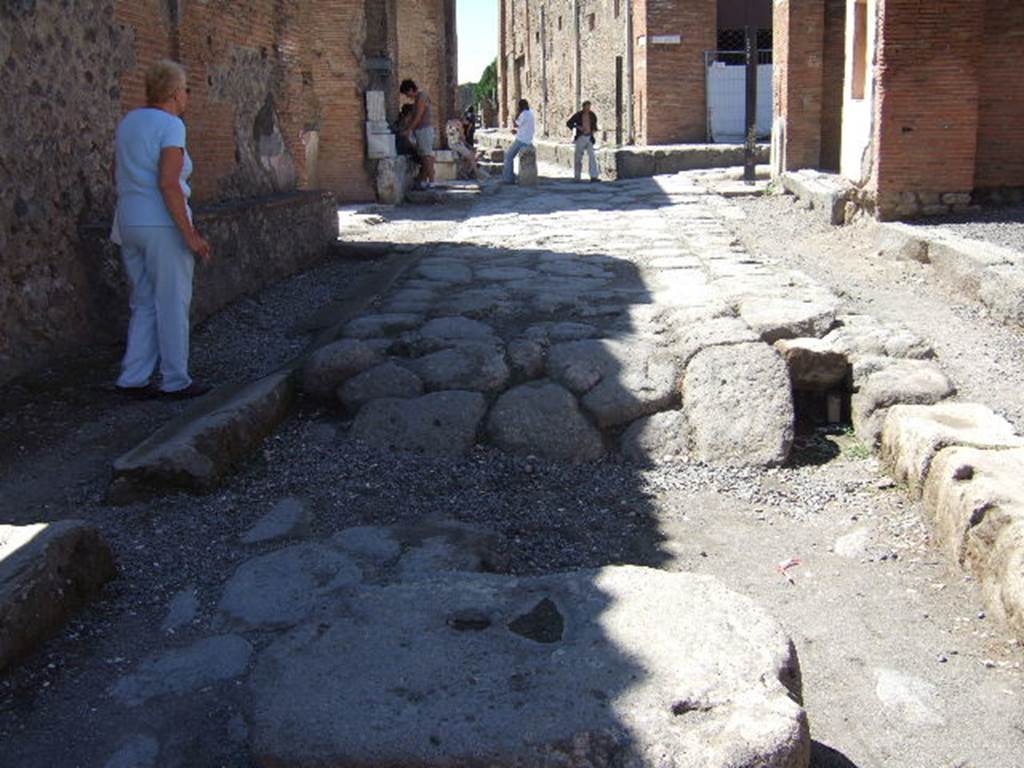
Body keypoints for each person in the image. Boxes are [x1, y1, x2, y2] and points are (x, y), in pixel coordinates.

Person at [111, 59, 212, 399]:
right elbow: (169, 183)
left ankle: (133, 377)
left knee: (143, 302)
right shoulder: (171, 126)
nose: (186, 96)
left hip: (128, 219)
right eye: (185, 89)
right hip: (161, 223)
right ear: (172, 92)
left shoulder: (128, 122)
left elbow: (118, 170)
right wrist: (191, 235)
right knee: (172, 302)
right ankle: (175, 379)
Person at [399, 79, 435, 189]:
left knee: (426, 156)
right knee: (424, 156)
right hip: (420, 130)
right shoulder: (417, 99)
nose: (407, 96)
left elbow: (418, 116)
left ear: (410, 89)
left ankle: (432, 181)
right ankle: (425, 179)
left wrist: (409, 130)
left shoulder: (421, 96)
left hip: (424, 130)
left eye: (406, 93)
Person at [502, 99, 535, 184]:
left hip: (521, 140)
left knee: (508, 156)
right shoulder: (531, 113)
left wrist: (513, 118)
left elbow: (517, 124)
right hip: (528, 139)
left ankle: (508, 179)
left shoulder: (523, 114)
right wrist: (517, 131)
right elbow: (525, 127)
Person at [566, 100, 600, 182]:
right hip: (580, 137)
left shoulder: (592, 115)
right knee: (578, 157)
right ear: (583, 107)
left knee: (592, 156)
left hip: (589, 137)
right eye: (586, 107)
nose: (588, 108)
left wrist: (594, 130)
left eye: (589, 107)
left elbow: (594, 125)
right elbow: (569, 123)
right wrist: (578, 127)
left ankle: (594, 176)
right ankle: (577, 177)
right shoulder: (578, 115)